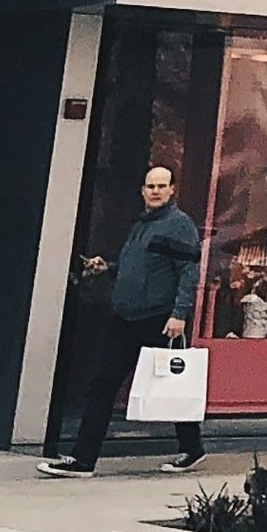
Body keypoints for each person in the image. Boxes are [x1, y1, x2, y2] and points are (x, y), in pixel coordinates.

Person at [44, 164, 202, 475]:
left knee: (174, 385)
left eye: (161, 186)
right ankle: (83, 459)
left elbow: (188, 272)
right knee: (102, 383)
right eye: (150, 186)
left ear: (172, 190)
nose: (155, 191)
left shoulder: (180, 225)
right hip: (126, 318)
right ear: (143, 190)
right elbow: (140, 267)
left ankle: (192, 447)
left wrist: (178, 314)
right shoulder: (142, 224)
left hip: (159, 319)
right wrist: (109, 268)